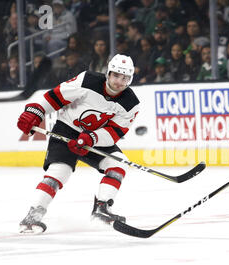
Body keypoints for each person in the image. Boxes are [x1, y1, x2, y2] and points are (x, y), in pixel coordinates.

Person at [16, 54, 140, 233]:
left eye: (125, 78)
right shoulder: (87, 81)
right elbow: (55, 97)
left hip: (94, 137)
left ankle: (102, 209)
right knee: (59, 171)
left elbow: (114, 132)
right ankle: (32, 216)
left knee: (118, 163)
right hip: (67, 130)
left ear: (130, 79)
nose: (119, 81)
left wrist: (91, 138)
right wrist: (37, 111)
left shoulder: (130, 103)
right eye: (116, 75)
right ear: (108, 73)